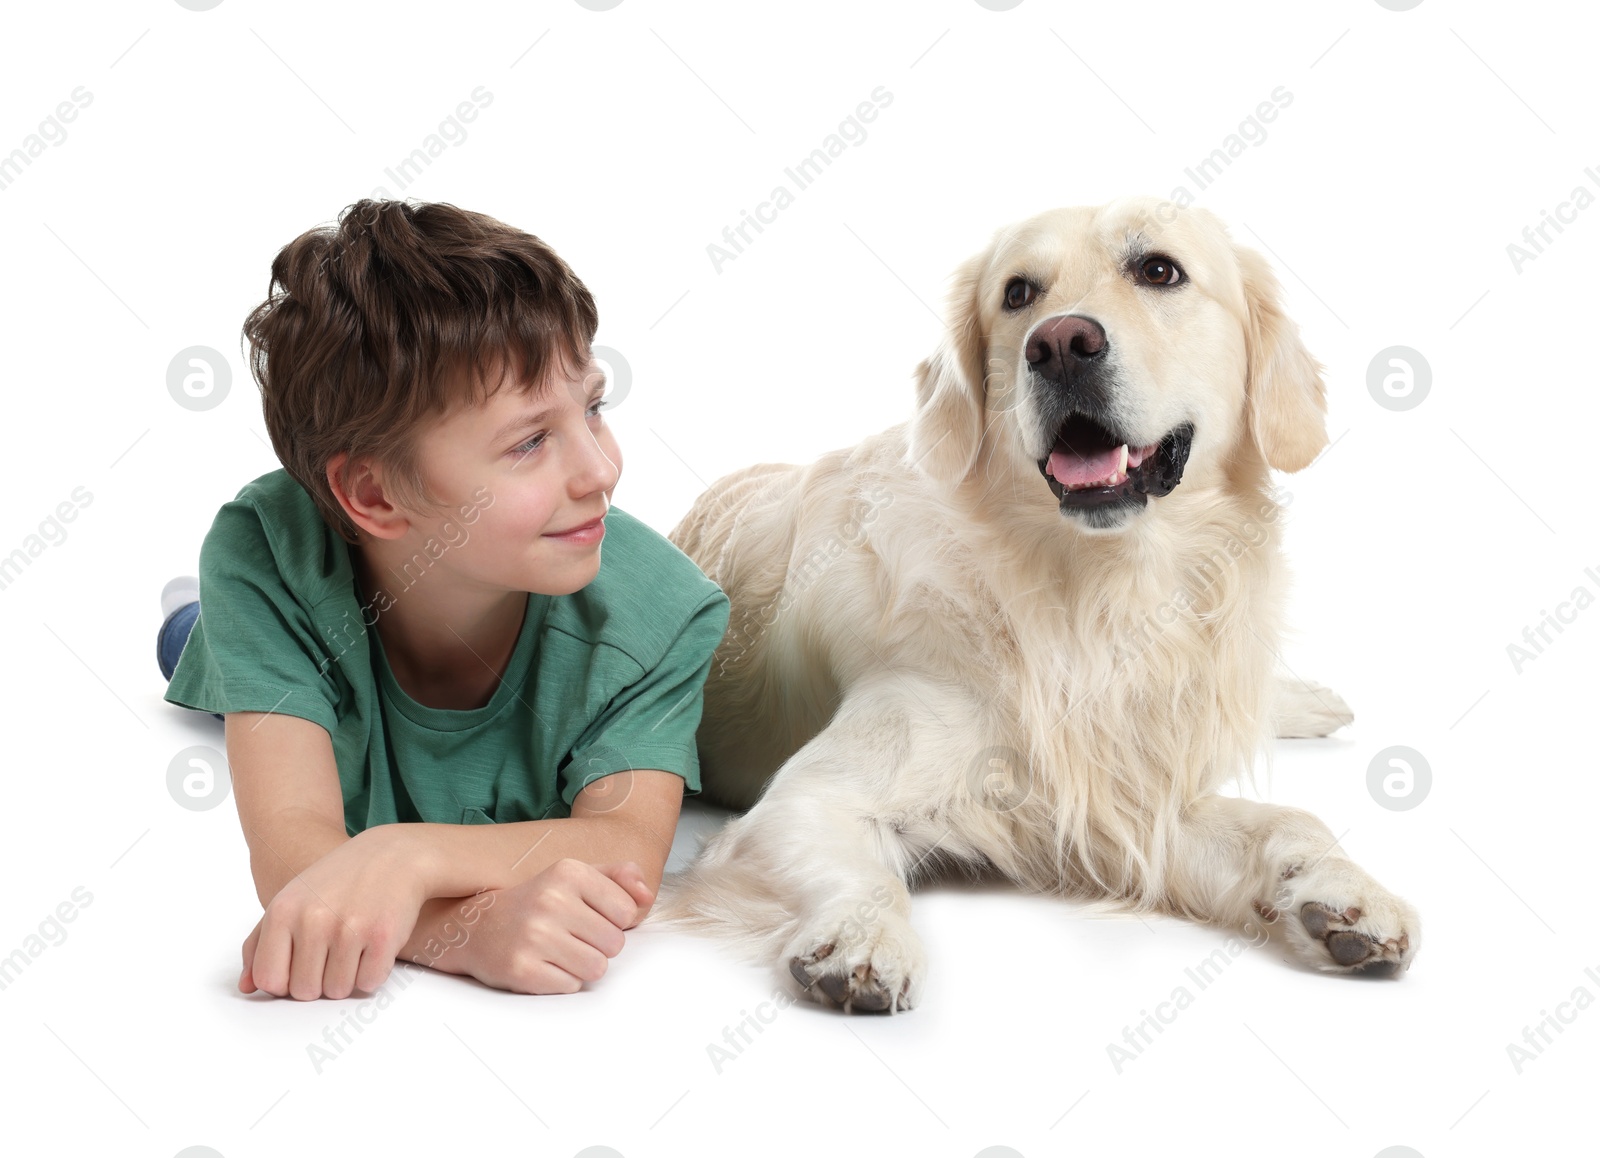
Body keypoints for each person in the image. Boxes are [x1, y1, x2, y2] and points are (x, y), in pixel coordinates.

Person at [158, 199, 730, 1002]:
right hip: (286, 633)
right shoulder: (267, 558)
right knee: (196, 641)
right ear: (374, 494)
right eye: (530, 441)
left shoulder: (664, 618)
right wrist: (459, 935)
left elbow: (625, 842)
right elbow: (295, 855)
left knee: (220, 652)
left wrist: (403, 857)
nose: (601, 471)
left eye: (593, 407)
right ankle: (195, 625)